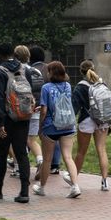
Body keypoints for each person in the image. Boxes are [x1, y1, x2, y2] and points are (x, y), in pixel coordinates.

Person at [0, 44, 35, 202]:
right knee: (22, 153)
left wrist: (0, 123)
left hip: (6, 120)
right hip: (23, 117)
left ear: (0, 55)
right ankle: (24, 192)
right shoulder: (25, 70)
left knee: (2, 154)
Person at [33, 60, 81, 198]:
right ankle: (75, 186)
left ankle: (42, 187)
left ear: (50, 73)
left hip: (51, 127)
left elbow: (44, 110)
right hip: (67, 124)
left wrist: (41, 128)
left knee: (47, 159)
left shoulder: (46, 88)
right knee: (68, 157)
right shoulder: (67, 86)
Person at [72, 61, 111, 191]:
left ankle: (74, 179)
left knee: (81, 152)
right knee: (101, 150)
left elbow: (74, 108)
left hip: (86, 121)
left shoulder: (80, 87)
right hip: (103, 121)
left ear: (81, 71)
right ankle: (105, 181)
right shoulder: (102, 84)